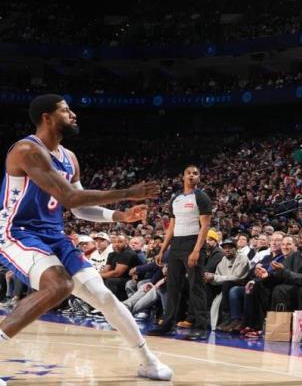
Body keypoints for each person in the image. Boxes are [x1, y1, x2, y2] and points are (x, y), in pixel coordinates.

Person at [0, 94, 172, 382]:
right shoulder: (27, 149)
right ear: (46, 117)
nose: (73, 115)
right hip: (17, 232)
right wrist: (127, 193)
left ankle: (148, 361)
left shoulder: (69, 158)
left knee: (104, 297)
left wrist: (119, 216)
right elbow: (69, 197)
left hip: (54, 235)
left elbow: (79, 209)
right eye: (66, 110)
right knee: (60, 285)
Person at [148, 165, 212, 340]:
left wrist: (196, 250)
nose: (191, 175)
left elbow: (205, 226)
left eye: (195, 173)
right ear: (183, 177)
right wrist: (163, 250)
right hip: (176, 244)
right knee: (172, 285)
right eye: (188, 173)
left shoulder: (201, 197)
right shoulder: (175, 198)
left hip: (193, 242)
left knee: (196, 285)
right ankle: (168, 324)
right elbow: (171, 227)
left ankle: (201, 327)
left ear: (199, 177)